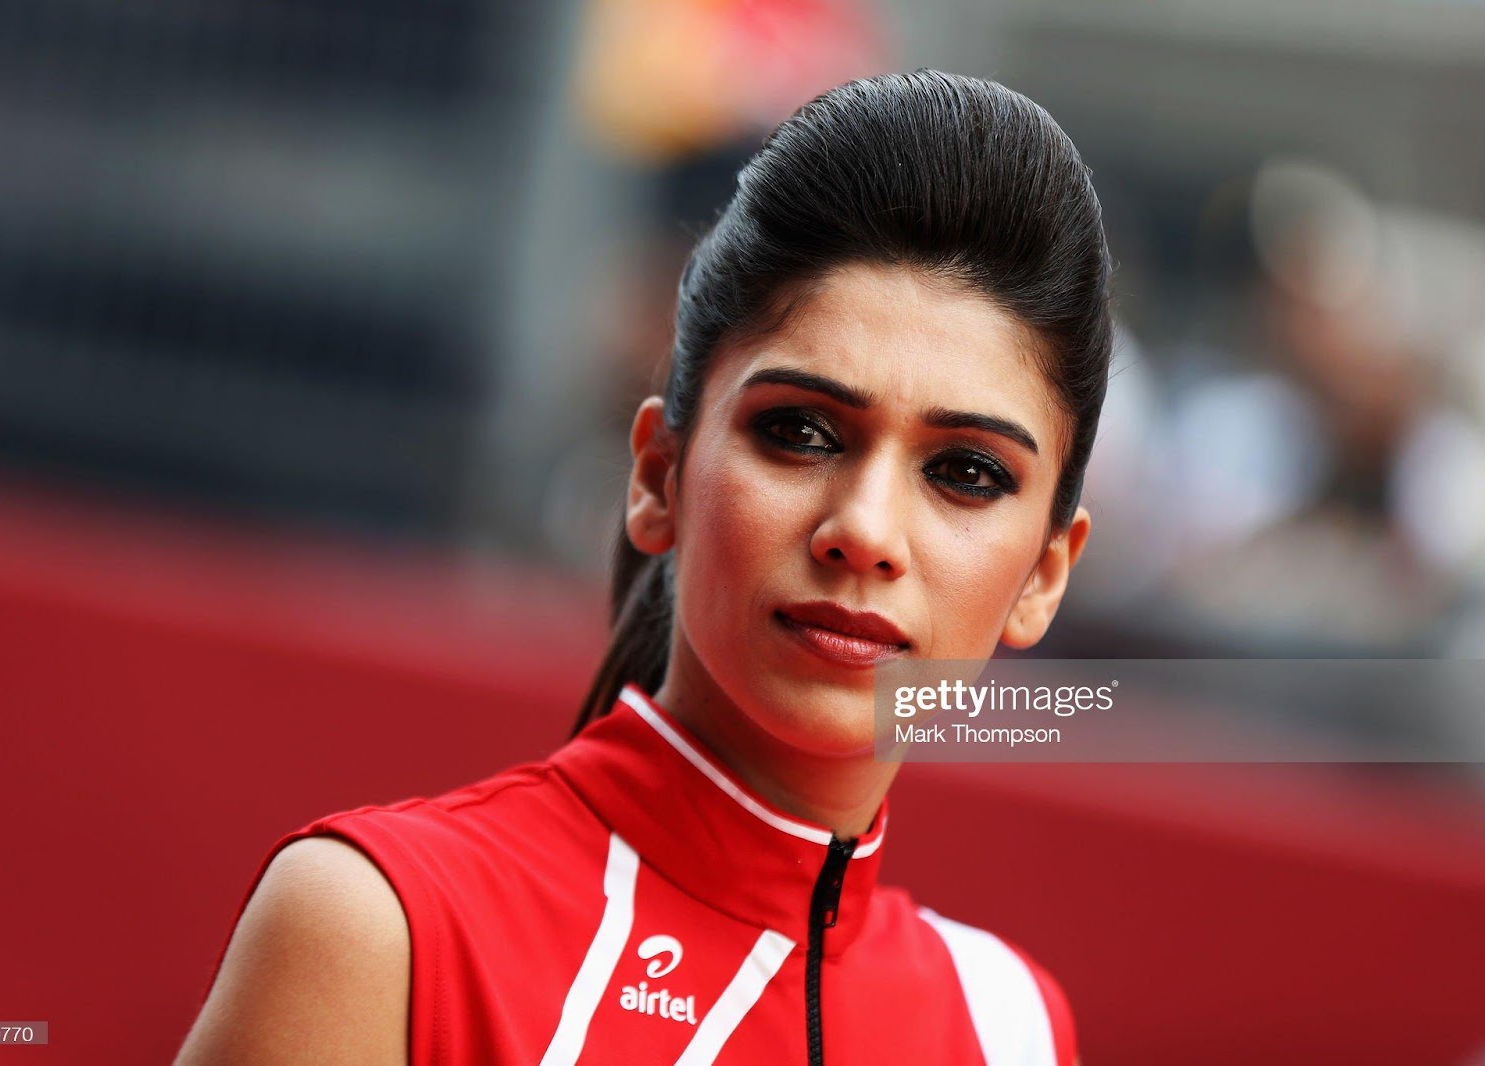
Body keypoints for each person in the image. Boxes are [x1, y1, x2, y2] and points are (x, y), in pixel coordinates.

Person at [176, 68, 1109, 1065]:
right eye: (798, 431)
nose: (865, 530)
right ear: (659, 474)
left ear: (1045, 573)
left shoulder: (1008, 1024)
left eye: (965, 472)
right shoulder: (383, 926)